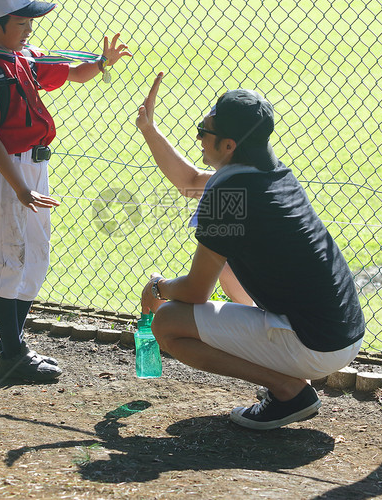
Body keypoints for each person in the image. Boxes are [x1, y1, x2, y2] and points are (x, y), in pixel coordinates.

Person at [136, 73, 365, 430]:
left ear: (228, 146)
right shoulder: (267, 172)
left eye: (204, 131)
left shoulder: (229, 197)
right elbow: (190, 182)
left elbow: (196, 291)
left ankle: (288, 389)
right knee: (225, 269)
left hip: (314, 344)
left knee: (168, 323)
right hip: (338, 332)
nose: (198, 136)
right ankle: (285, 377)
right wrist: (149, 129)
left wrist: (157, 289)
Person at [0, 0, 131, 382]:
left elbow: (74, 74)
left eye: (29, 21)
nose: (29, 28)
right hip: (8, 173)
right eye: (21, 22)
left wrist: (103, 64)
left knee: (35, 257)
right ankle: (13, 353)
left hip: (35, 168)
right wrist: (20, 188)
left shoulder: (27, 58)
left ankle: (10, 346)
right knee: (9, 260)